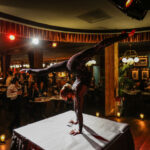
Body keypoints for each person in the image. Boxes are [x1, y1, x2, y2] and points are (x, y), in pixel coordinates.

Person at [21, 30, 135, 135]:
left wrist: (79, 130)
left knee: (78, 104)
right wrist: (28, 70)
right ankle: (77, 121)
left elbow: (101, 45)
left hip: (85, 79)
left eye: (68, 97)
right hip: (78, 75)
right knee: (76, 104)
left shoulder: (77, 69)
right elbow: (45, 70)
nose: (69, 99)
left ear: (69, 93)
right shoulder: (66, 66)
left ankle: (79, 125)